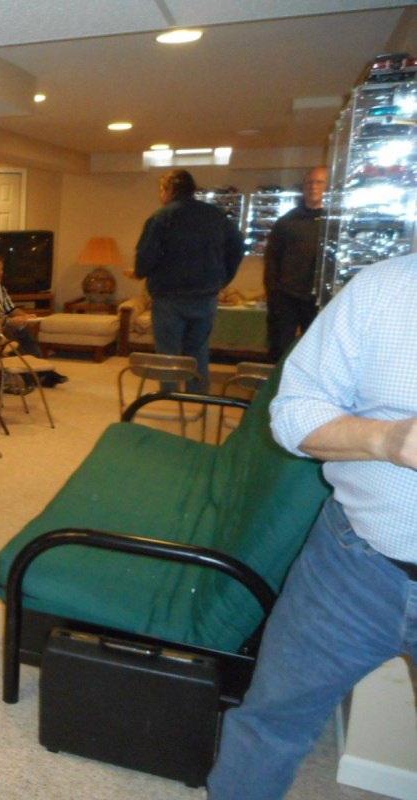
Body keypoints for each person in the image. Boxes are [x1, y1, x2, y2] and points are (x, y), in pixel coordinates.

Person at [207, 251, 417, 799]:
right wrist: (387, 439)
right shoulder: (384, 287)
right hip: (353, 564)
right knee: (268, 722)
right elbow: (294, 409)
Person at [133, 168, 245, 390]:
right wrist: (222, 279)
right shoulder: (215, 216)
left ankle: (170, 396)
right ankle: (197, 394)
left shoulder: (161, 217)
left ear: (170, 190)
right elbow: (238, 247)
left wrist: (140, 271)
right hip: (205, 296)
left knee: (168, 353)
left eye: (161, 190)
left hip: (169, 297)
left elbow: (145, 260)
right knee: (198, 350)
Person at [263, 166, 327, 361]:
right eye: (309, 182)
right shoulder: (287, 221)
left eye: (319, 182)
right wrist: (272, 293)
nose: (313, 187)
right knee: (280, 349)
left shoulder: (334, 223)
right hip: (286, 296)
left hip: (319, 299)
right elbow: (272, 258)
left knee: (315, 352)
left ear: (328, 187)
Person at [0, 253, 66, 387]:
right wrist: (11, 322)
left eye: (2, 269)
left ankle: (43, 372)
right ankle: (34, 376)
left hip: (6, 324)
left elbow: (11, 309)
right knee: (13, 336)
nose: (1, 272)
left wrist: (26, 317)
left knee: (25, 333)